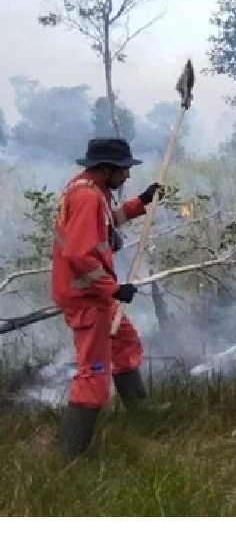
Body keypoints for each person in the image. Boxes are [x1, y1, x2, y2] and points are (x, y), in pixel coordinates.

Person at [51, 138, 165, 458]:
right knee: (94, 373)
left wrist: (141, 201)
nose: (127, 176)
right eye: (124, 170)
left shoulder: (89, 189)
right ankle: (72, 453)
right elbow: (78, 254)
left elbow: (106, 223)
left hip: (93, 294)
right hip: (87, 297)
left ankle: (141, 413)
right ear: (106, 169)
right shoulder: (88, 197)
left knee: (125, 341)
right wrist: (111, 289)